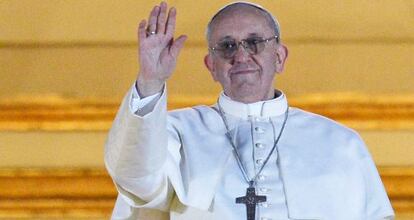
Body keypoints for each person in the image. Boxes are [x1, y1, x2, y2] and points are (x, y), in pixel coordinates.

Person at [104, 1, 395, 220]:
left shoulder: (340, 144)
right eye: (227, 46)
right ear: (211, 66)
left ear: (279, 57)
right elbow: (137, 180)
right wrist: (150, 80)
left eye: (254, 43)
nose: (241, 55)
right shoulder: (176, 133)